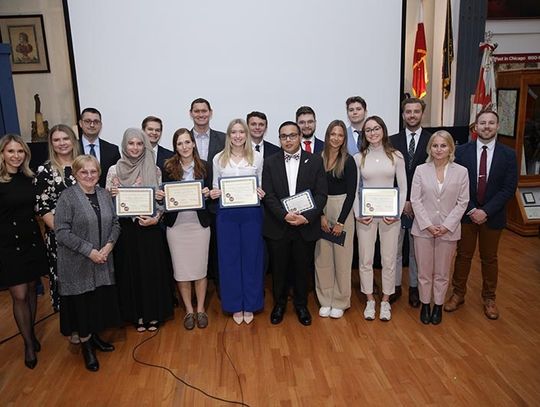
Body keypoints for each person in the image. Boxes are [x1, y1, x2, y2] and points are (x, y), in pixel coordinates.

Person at [445, 109, 518, 320]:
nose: (486, 126)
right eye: (483, 123)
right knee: (463, 256)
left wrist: (485, 211)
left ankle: (489, 298)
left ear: (497, 126)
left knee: (489, 258)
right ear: (475, 127)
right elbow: (456, 185)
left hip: (492, 216)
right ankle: (458, 294)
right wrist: (471, 209)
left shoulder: (509, 155)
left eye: (491, 123)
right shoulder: (461, 152)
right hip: (466, 213)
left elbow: (508, 188)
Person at [55, 155, 121, 372]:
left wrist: (109, 246)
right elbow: (62, 232)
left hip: (102, 258)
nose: (89, 176)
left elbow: (115, 223)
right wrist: (89, 251)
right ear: (75, 174)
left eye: (93, 172)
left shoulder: (103, 194)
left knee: (96, 303)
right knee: (82, 307)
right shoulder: (67, 197)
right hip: (77, 263)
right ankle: (86, 348)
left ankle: (94, 339)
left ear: (99, 174)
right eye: (84, 172)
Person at [106, 128, 174, 331]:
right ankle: (137, 316)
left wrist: (156, 219)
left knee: (150, 272)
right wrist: (111, 194)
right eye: (131, 143)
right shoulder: (113, 171)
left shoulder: (154, 169)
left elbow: (160, 202)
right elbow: (108, 206)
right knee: (130, 272)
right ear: (124, 146)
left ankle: (154, 314)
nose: (135, 148)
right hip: (126, 231)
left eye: (139, 144)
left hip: (149, 228)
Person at [263, 121, 327, 326]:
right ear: (279, 139)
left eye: (292, 135)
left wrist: (306, 217)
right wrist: (284, 215)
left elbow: (321, 194)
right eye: (283, 136)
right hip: (279, 225)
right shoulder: (270, 162)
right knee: (279, 270)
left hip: (305, 225)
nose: (288, 140)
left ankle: (301, 305)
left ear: (300, 136)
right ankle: (279, 305)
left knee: (302, 269)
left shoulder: (315, 161)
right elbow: (269, 195)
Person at [209, 119, 265, 325]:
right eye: (234, 132)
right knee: (229, 260)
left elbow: (261, 184)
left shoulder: (257, 158)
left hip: (251, 214)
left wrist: (261, 192)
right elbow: (215, 185)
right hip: (227, 216)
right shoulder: (219, 159)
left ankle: (250, 304)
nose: (238, 135)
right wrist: (214, 192)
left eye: (242, 132)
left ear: (247, 134)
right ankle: (234, 305)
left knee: (252, 259)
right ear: (229, 135)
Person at [410, 131, 469, 325]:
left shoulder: (461, 172)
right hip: (423, 229)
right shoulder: (420, 170)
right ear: (430, 148)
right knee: (424, 271)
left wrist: (446, 226)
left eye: (443, 146)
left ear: (451, 148)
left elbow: (463, 202)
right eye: (435, 146)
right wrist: (427, 225)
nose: (439, 149)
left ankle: (438, 306)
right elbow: (416, 200)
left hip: (448, 230)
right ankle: (425, 304)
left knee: (443, 272)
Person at [0, 135, 48, 369]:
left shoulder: (30, 178)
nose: (16, 156)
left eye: (20, 151)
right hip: (8, 245)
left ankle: (30, 332)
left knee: (31, 290)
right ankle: (28, 343)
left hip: (32, 241)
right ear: (2, 154)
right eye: (11, 151)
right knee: (18, 295)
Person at [355, 116, 406, 321]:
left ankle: (385, 300)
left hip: (389, 218)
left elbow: (403, 188)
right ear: (364, 134)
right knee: (365, 260)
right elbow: (354, 190)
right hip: (366, 217)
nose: (373, 133)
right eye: (368, 130)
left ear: (383, 130)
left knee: (388, 259)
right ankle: (369, 299)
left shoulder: (396, 156)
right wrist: (358, 214)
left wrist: (396, 213)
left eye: (376, 128)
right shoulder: (359, 158)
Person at [162, 128, 212, 330]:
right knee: (181, 270)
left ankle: (200, 309)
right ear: (176, 147)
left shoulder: (205, 167)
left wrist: (209, 193)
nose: (184, 146)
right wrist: (161, 196)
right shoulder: (167, 167)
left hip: (199, 225)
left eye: (187, 142)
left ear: (193, 144)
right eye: (179, 143)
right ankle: (189, 310)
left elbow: (212, 194)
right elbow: (164, 194)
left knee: (200, 269)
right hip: (177, 226)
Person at [389, 97, 431, 307]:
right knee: (394, 249)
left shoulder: (432, 141)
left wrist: (414, 202)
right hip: (396, 204)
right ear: (403, 114)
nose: (412, 115)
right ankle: (394, 286)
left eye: (416, 111)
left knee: (417, 251)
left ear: (422, 113)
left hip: (423, 206)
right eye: (408, 112)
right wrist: (403, 200)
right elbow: (390, 175)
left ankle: (414, 288)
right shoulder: (391, 140)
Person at [35, 124, 80, 312]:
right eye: (56, 140)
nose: (62, 143)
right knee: (66, 283)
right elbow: (43, 208)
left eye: (65, 138)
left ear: (73, 141)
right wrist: (65, 235)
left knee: (86, 282)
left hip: (88, 236)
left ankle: (90, 329)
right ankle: (73, 330)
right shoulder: (45, 171)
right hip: (60, 239)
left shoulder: (84, 165)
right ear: (51, 144)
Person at [314, 120, 357, 319]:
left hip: (343, 211)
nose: (336, 138)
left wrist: (340, 222)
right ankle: (325, 299)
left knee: (342, 258)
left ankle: (340, 300)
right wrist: (320, 214)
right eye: (333, 134)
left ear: (344, 138)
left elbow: (351, 193)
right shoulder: (318, 158)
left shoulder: (348, 161)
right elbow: (314, 188)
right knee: (323, 258)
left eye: (340, 135)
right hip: (321, 208)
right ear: (327, 135)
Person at [189, 98, 225, 293]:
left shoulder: (224, 138)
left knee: (218, 249)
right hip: (190, 207)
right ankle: (196, 290)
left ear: (211, 112)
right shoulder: (184, 138)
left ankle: (220, 285)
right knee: (194, 252)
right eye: (197, 111)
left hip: (217, 203)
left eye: (204, 111)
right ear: (191, 113)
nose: (201, 114)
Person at [78, 107, 120, 187]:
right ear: (80, 123)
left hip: (106, 197)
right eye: (87, 121)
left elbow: (117, 176)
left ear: (100, 125)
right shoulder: (72, 147)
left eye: (96, 122)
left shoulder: (112, 150)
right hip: (78, 196)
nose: (92, 125)